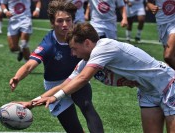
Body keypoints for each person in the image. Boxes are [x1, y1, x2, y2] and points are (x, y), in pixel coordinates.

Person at [18, 22, 175, 133]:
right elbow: (62, 85)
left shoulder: (104, 47)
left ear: (87, 43)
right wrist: (30, 104)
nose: (73, 53)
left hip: (167, 85)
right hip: (148, 93)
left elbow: (82, 79)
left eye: (74, 48)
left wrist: (56, 98)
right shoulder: (85, 62)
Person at [9, 1, 104, 133]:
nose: (65, 25)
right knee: (73, 129)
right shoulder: (49, 44)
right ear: (52, 23)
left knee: (87, 106)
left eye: (68, 20)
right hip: (54, 85)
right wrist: (17, 77)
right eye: (60, 21)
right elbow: (30, 65)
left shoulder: (82, 37)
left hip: (77, 79)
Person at [146, 0, 175, 70]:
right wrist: (151, 7)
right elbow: (149, 2)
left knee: (168, 57)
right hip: (162, 25)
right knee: (171, 60)